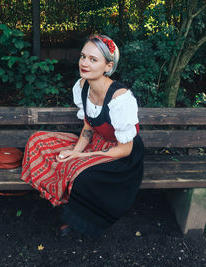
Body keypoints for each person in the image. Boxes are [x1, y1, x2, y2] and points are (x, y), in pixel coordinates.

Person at [21, 34, 144, 238]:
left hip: (121, 156)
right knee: (38, 142)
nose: (84, 63)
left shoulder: (120, 99)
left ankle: (79, 219)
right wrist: (75, 150)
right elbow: (88, 125)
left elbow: (125, 149)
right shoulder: (82, 86)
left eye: (93, 59)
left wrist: (80, 157)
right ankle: (64, 197)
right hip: (96, 142)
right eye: (83, 56)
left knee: (80, 174)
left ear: (108, 66)